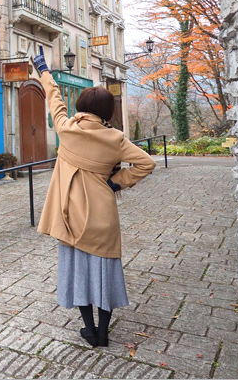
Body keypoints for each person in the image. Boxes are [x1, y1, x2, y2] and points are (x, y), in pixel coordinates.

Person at [31, 46, 156, 347]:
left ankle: (89, 330)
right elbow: (147, 163)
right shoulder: (115, 138)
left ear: (82, 106)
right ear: (107, 112)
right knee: (105, 275)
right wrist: (116, 183)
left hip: (70, 217)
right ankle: (103, 332)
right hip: (103, 219)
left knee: (79, 275)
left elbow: (55, 102)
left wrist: (44, 71)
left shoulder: (67, 129)